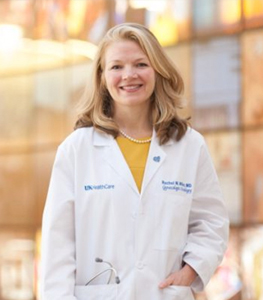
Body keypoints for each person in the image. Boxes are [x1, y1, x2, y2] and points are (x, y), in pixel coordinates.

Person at [39, 23, 229, 300]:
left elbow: (211, 223)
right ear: (102, 77)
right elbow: (58, 246)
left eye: (140, 64)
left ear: (158, 70)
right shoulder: (76, 150)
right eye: (116, 67)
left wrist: (190, 271)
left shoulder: (189, 146)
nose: (129, 75)